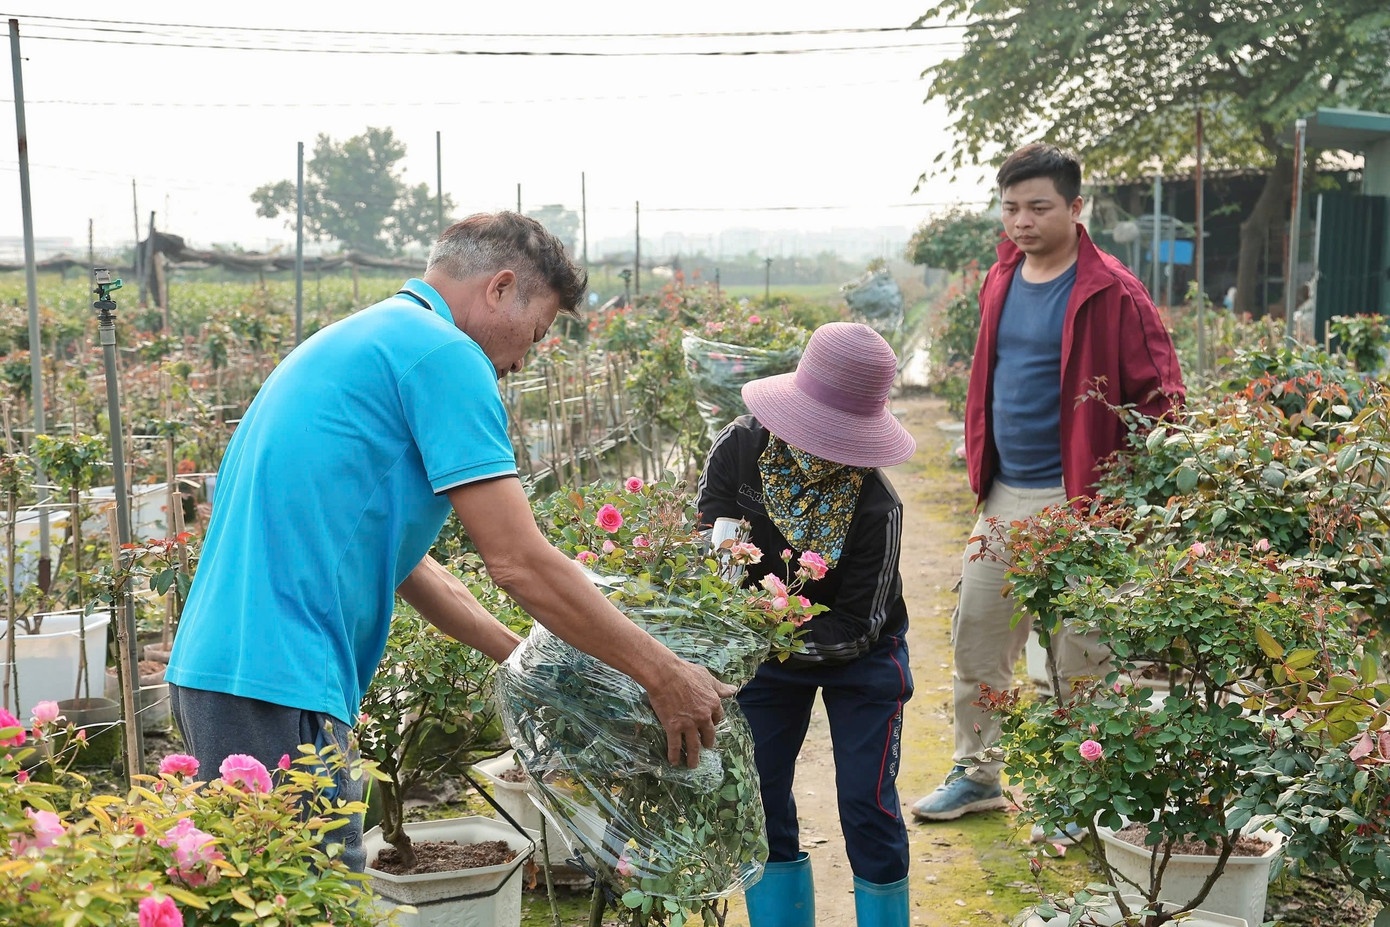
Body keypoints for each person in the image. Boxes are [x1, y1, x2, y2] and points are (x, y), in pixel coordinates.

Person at [165, 212, 736, 871]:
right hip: (273, 679)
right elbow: (518, 560)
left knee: (270, 893)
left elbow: (418, 571)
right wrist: (664, 674)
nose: (522, 361)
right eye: (536, 333)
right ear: (499, 288)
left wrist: (529, 663)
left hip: (230, 673)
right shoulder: (444, 354)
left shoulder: (377, 336)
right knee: (305, 901)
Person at [910, 143, 1185, 830]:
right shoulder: (1001, 277)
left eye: (1038, 207)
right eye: (1010, 208)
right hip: (1004, 492)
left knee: (1077, 654)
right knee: (978, 636)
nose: (1022, 222)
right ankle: (977, 774)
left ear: (1075, 207)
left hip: (1080, 498)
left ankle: (1075, 790)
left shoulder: (1112, 290)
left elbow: (1164, 398)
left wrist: (1123, 492)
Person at [696, 321, 917, 927]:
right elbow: (710, 521)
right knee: (758, 793)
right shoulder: (740, 449)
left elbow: (857, 626)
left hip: (861, 660)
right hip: (761, 653)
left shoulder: (877, 506)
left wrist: (766, 630)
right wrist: (722, 581)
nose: (825, 447)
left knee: (865, 803)